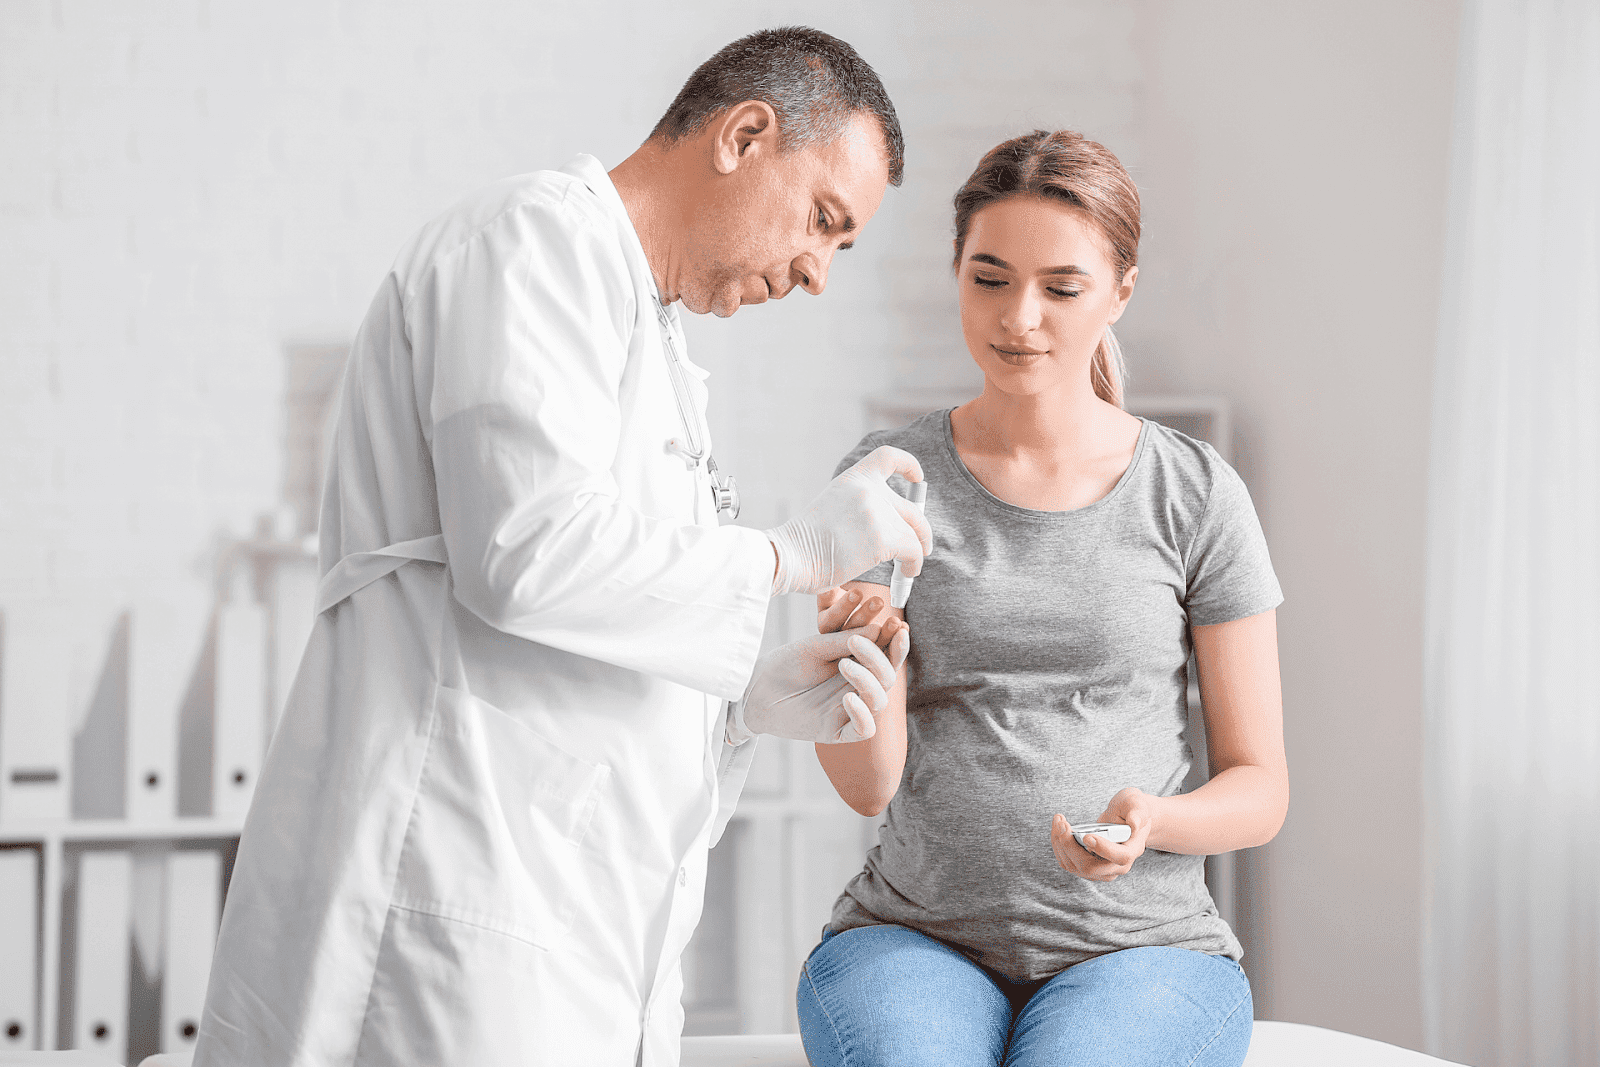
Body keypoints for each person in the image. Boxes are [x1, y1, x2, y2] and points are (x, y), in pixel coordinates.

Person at [194, 28, 931, 1067]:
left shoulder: (652, 341)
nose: (817, 272)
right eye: (823, 220)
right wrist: (786, 556)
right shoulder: (532, 243)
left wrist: (740, 708)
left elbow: (598, 612)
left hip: (566, 927)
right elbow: (526, 551)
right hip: (450, 898)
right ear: (744, 136)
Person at [796, 129, 1288, 1067]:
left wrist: (1155, 822)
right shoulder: (889, 480)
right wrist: (863, 668)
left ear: (1120, 292)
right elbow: (867, 786)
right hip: (914, 937)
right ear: (956, 272)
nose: (1019, 317)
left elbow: (1261, 787)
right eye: (989, 278)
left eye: (1061, 288)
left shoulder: (1194, 493)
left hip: (1146, 949)